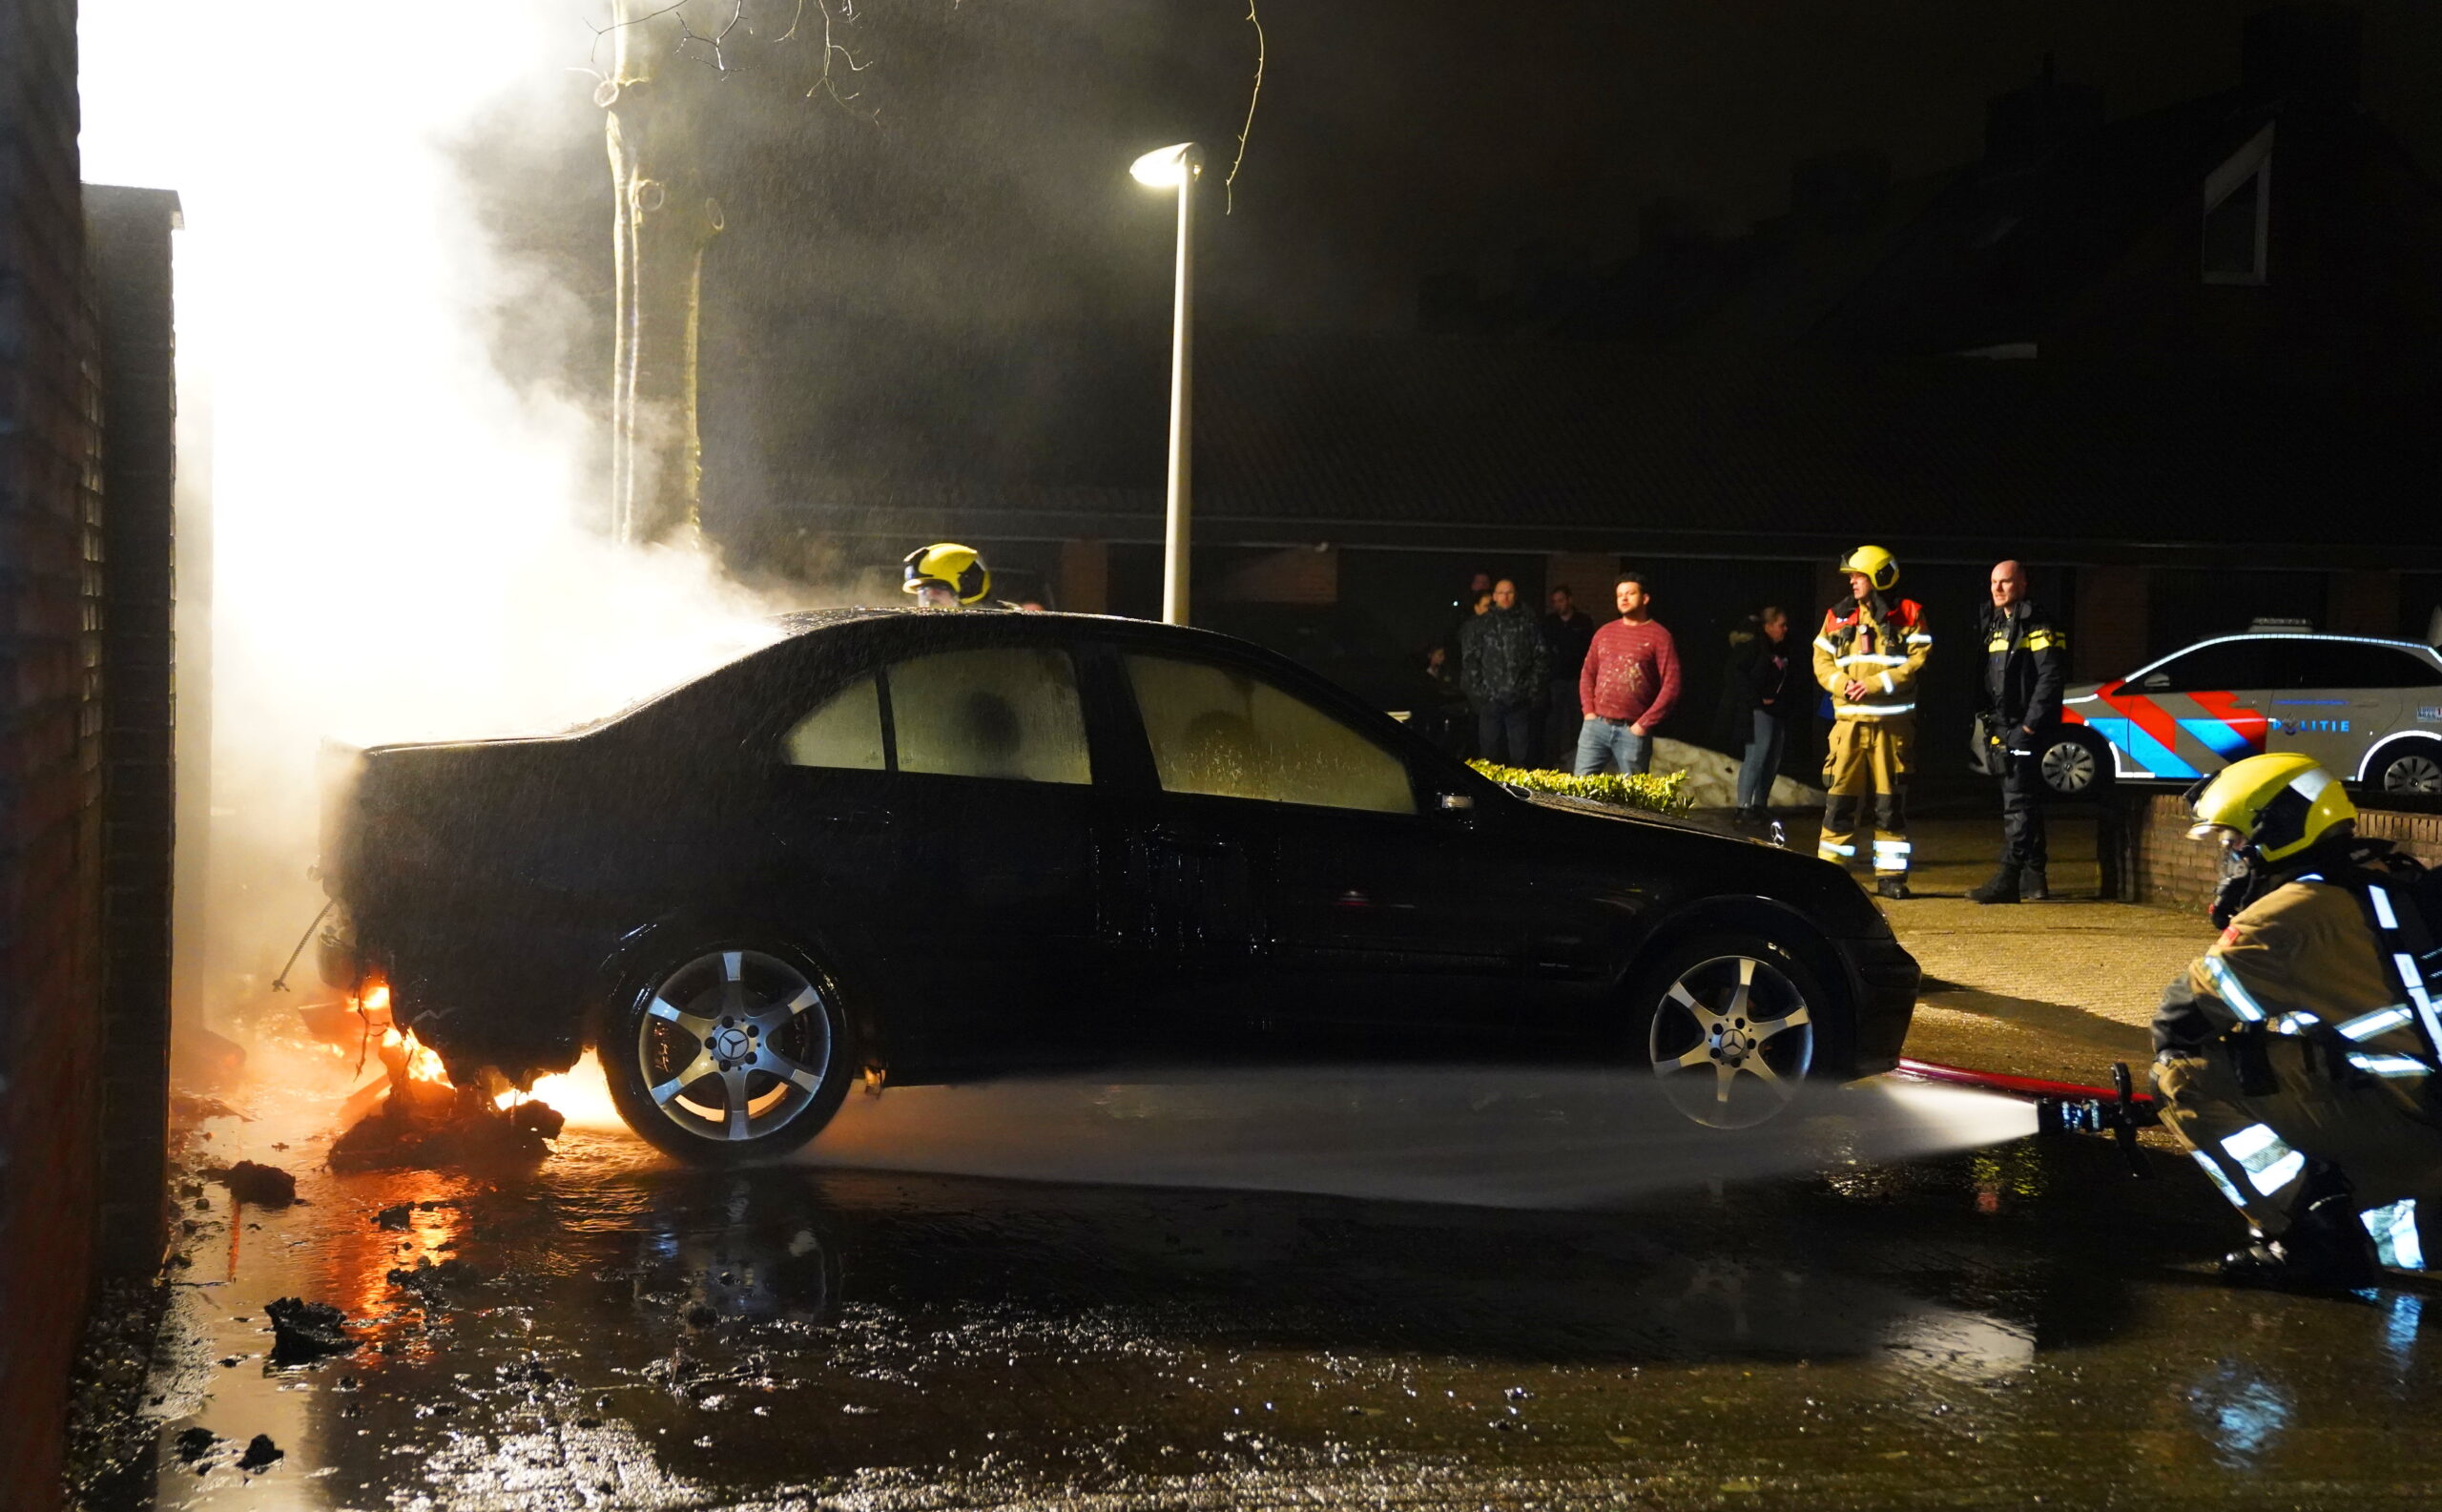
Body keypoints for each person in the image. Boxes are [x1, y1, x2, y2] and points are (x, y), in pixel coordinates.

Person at [2149, 753, 2442, 1290]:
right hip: (2425, 1107)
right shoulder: (2386, 878)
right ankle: (2390, 1216)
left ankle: (2317, 1245)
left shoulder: (2286, 914)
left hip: (2414, 1127)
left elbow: (2178, 1020)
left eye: (2233, 843)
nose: (2230, 859)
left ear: (2276, 831)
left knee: (2183, 1075)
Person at [1812, 545, 1930, 899]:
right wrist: (1842, 683)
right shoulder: (1837, 616)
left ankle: (1891, 877)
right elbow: (1821, 661)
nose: (1852, 583)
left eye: (1858, 576)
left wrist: (1876, 684)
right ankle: (1832, 876)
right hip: (1847, 727)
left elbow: (1917, 660)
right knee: (1839, 805)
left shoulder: (1909, 613)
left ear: (1879, 577)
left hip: (1890, 730)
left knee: (1889, 805)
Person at [1969, 561, 2068, 904]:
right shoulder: (1995, 623)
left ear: (2023, 584)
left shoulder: (2037, 623)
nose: (1997, 589)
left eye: (2006, 582)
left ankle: (2009, 877)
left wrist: (2029, 725)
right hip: (2000, 724)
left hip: (2024, 727)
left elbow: (2050, 677)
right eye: (1994, 582)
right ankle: (2035, 879)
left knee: (2018, 803)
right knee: (2024, 801)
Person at [1576, 571, 1681, 777]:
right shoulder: (1605, 632)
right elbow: (1588, 673)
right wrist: (1589, 712)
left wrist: (1643, 724)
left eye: (1630, 593)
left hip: (1632, 729)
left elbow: (1672, 685)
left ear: (1645, 598)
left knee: (1633, 797)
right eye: (1619, 595)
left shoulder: (1660, 636)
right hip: (1596, 725)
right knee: (1578, 790)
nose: (1623, 599)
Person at [1459, 578, 1547, 765]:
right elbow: (1471, 660)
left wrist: (1530, 690)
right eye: (1501, 593)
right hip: (1490, 702)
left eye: (1509, 593)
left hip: (1519, 701)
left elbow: (1540, 658)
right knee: (1489, 756)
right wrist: (1481, 694)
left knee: (1520, 757)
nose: (1505, 597)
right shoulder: (1481, 624)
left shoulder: (1527, 624)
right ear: (1494, 596)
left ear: (1515, 595)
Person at [1725, 606, 1795, 825]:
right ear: (1768, 626)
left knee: (1772, 759)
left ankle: (1760, 804)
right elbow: (1735, 673)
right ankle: (1743, 807)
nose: (1785, 629)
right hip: (1758, 711)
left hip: (1776, 712)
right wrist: (1756, 698)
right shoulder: (1754, 648)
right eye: (1781, 625)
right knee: (1756, 757)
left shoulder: (1782, 650)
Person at [1540, 584, 1598, 766]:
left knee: (1576, 721)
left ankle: (1575, 758)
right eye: (1555, 602)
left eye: (1561, 600)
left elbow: (1590, 651)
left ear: (1569, 600)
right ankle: (1552, 760)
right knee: (1554, 721)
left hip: (1577, 680)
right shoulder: (1549, 623)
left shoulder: (1583, 622)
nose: (1558, 605)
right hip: (1555, 680)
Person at [902, 543, 992, 608]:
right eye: (923, 592)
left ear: (968, 589)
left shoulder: (1001, 625)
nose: (929, 599)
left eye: (938, 590)